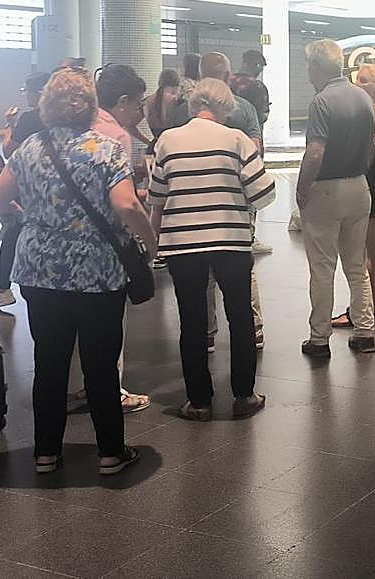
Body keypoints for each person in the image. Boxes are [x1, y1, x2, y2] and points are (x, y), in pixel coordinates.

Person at [0, 68, 152, 476]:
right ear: (90, 106)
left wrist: (21, 214)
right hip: (98, 273)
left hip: (40, 273)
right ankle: (110, 453)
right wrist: (150, 240)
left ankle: (45, 453)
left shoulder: (30, 148)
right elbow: (127, 205)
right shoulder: (106, 149)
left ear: (46, 106)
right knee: (100, 363)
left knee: (50, 361)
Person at [148, 78, 275, 420]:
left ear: (193, 105)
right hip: (230, 240)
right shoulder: (236, 139)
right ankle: (244, 396)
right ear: (226, 107)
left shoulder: (167, 140)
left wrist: (153, 243)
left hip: (182, 243)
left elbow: (157, 197)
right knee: (240, 316)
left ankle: (199, 402)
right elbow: (264, 194)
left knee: (192, 321)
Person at [171, 53, 268, 347]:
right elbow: (256, 153)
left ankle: (207, 332)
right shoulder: (244, 109)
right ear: (227, 76)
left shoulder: (182, 111)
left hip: (188, 217)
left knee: (199, 284)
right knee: (241, 278)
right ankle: (254, 326)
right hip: (233, 213)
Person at [294, 40, 375, 358]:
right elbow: (371, 146)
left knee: (322, 267)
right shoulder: (363, 97)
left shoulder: (321, 101)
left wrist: (302, 188)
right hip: (359, 186)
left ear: (316, 67)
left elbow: (315, 151)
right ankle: (364, 331)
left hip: (327, 190)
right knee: (357, 264)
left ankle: (319, 338)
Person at [89, 64, 152, 414]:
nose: (138, 112)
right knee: (110, 327)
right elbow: (123, 202)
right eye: (137, 104)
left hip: (56, 253)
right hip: (105, 245)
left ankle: (77, 389)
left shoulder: (72, 128)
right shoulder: (116, 135)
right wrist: (149, 239)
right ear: (123, 100)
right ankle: (113, 391)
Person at [0, 71, 51, 311]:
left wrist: (9, 125)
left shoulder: (30, 119)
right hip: (53, 189)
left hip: (27, 186)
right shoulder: (63, 120)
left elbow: (10, 151)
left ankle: (3, 289)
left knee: (12, 232)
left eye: (27, 91)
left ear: (36, 93)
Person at [333, 63, 375, 330]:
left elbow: (361, 144)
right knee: (368, 242)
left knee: (361, 244)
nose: (358, 84)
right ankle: (370, 302)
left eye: (364, 80)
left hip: (368, 177)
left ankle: (363, 306)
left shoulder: (373, 110)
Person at [230, 49, 271, 127]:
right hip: (250, 131)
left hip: (227, 129)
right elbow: (262, 116)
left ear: (244, 63)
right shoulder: (257, 87)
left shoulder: (226, 81)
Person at [145, 69, 181, 140]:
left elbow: (130, 126)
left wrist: (148, 142)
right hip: (175, 141)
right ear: (177, 83)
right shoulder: (176, 100)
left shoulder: (147, 101)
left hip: (158, 142)